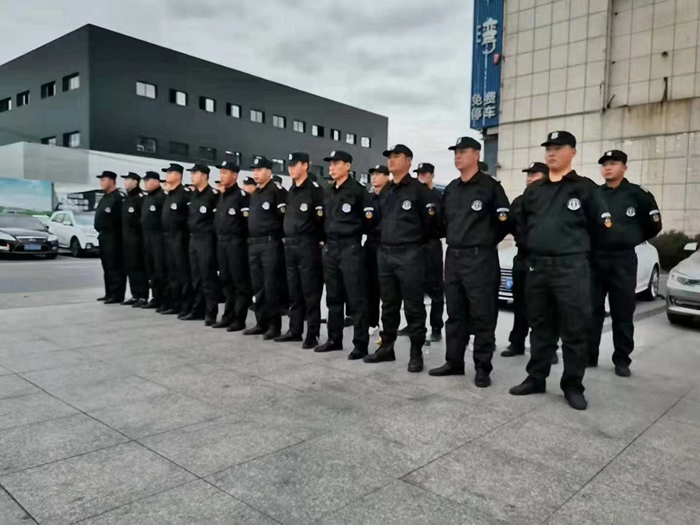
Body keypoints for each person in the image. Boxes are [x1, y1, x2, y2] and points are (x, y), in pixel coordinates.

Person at [509, 131, 611, 411]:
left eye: (558, 148)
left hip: (571, 267)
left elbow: (602, 228)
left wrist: (580, 255)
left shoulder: (585, 188)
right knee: (540, 326)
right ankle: (536, 377)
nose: (551, 153)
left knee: (574, 328)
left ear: (573, 152)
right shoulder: (535, 191)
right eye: (548, 149)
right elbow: (520, 224)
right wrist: (529, 250)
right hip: (539, 267)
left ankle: (573, 385)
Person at [429, 137, 510, 388]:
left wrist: (483, 242)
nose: (458, 156)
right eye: (455, 152)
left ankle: (482, 368)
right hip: (454, 257)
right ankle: (454, 362)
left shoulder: (490, 187)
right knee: (455, 313)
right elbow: (443, 222)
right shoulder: (452, 188)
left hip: (480, 258)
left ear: (476, 154)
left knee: (482, 314)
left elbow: (503, 223)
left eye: (463, 152)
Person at [364, 145, 439, 373]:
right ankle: (387, 348)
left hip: (410, 254)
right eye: (390, 157)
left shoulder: (419, 190)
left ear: (408, 161)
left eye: (396, 156)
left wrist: (414, 245)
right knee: (388, 304)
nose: (391, 160)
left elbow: (432, 225)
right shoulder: (386, 190)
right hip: (386, 253)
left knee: (413, 306)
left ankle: (416, 353)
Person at [589, 149, 662, 376]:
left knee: (622, 312)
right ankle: (589, 355)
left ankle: (622, 360)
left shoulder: (637, 194)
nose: (608, 168)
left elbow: (654, 224)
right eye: (604, 164)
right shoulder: (594, 194)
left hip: (623, 260)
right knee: (592, 310)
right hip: (596, 259)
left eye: (613, 163)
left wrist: (630, 239)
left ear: (624, 168)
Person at [315, 150, 371, 359]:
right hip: (331, 248)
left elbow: (369, 220)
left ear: (348, 166)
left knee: (356, 298)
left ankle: (360, 344)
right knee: (333, 297)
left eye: (336, 163)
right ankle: (334, 339)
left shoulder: (357, 190)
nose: (332, 167)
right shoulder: (328, 190)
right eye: (330, 164)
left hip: (350, 248)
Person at [275, 152, 326, 348]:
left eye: (295, 164)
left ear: (305, 165)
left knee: (310, 292)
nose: (291, 168)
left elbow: (321, 221)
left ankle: (312, 334)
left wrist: (317, 241)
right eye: (289, 165)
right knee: (294, 290)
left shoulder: (315, 190)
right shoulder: (292, 190)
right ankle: (294, 330)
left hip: (307, 246)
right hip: (290, 246)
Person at [501, 162, 550, 358]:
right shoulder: (519, 201)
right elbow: (509, 225)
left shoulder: (551, 200)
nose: (529, 178)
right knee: (519, 303)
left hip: (544, 259)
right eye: (528, 175)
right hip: (522, 257)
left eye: (534, 174)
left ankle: (547, 348)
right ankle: (517, 343)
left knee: (544, 307)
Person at [243, 156, 287, 340]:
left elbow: (283, 218)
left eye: (259, 170)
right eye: (254, 170)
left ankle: (274, 325)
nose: (256, 173)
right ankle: (261, 322)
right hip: (254, 244)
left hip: (270, 243)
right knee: (258, 286)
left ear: (269, 171)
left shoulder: (276, 191)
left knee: (271, 285)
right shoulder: (256, 193)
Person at [213, 160, 252, 331]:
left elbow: (247, 224)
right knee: (226, 281)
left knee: (239, 282)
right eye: (220, 173)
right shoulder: (222, 196)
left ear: (234, 175)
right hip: (222, 243)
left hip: (237, 243)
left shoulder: (241, 197)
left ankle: (239, 318)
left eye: (225, 173)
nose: (221, 176)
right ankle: (227, 316)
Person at [185, 164, 219, 325]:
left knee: (208, 277)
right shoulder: (193, 195)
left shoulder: (213, 195)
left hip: (206, 239)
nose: (192, 176)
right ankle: (197, 310)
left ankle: (211, 313)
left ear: (204, 176)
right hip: (193, 238)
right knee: (196, 277)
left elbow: (216, 220)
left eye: (195, 173)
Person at [414, 162, 445, 342]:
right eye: (419, 174)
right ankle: (415, 325)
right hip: (415, 246)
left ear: (432, 175)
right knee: (414, 288)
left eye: (424, 174)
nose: (421, 177)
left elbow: (444, 222)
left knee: (435, 288)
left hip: (432, 245)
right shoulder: (413, 195)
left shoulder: (438, 196)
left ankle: (436, 327)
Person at [161, 163, 193, 318]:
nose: (167, 175)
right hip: (168, 237)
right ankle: (175, 304)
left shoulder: (184, 194)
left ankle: (186, 306)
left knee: (183, 273)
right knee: (172, 273)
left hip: (180, 237)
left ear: (178, 175)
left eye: (170, 172)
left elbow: (188, 217)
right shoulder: (170, 194)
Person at [365, 165, 391, 334]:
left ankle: (388, 324)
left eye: (378, 174)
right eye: (372, 174)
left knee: (387, 288)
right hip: (371, 243)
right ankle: (372, 321)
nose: (374, 177)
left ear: (387, 176)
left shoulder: (391, 195)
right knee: (370, 285)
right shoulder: (369, 197)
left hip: (386, 244)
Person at [94, 171, 126, 304]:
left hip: (114, 236)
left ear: (112, 181)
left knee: (115, 265)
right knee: (107, 266)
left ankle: (117, 294)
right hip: (103, 235)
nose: (101, 182)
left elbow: (121, 219)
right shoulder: (105, 197)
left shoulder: (118, 197)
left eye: (104, 180)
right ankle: (109, 293)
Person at [141, 171, 169, 312]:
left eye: (148, 180)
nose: (145, 183)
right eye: (145, 181)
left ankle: (165, 299)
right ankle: (155, 297)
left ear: (157, 181)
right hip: (148, 238)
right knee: (151, 269)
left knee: (160, 269)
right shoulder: (148, 197)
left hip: (159, 238)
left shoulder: (161, 197)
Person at [120, 172, 149, 307]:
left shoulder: (140, 198)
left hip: (137, 239)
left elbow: (142, 219)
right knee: (130, 267)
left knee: (139, 267)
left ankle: (142, 295)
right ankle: (135, 294)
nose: (125, 182)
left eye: (128, 179)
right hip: (127, 238)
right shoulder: (127, 198)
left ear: (135, 182)